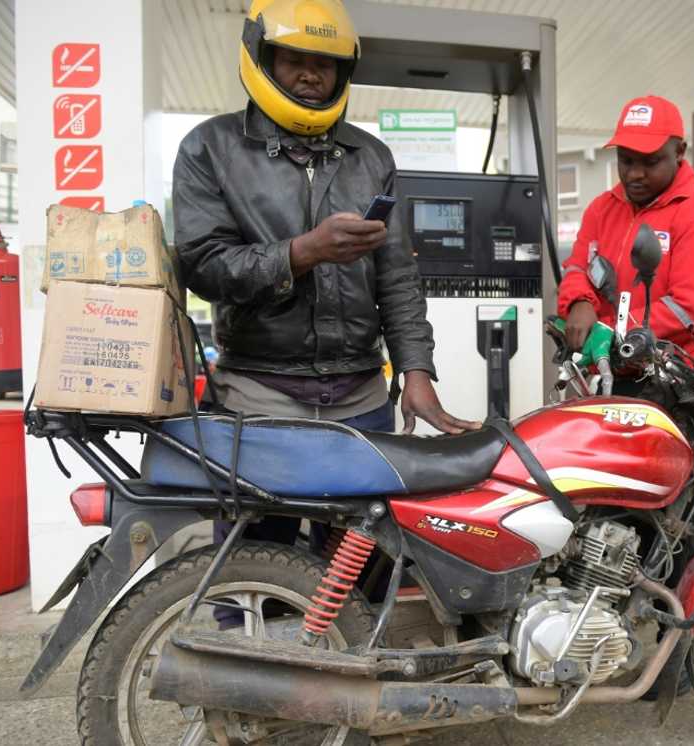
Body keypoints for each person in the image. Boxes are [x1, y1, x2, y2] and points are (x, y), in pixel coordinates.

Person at [173, 0, 477, 557]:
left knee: (361, 565)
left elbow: (398, 278)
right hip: (259, 395)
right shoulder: (209, 148)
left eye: (326, 62)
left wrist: (415, 371)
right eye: (293, 58)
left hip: (361, 395)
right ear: (261, 58)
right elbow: (203, 268)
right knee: (256, 564)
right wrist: (302, 253)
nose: (311, 73)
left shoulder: (372, 156)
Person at [558, 95, 694, 362]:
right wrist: (579, 303)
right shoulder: (601, 209)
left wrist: (609, 330)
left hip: (672, 377)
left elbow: (688, 308)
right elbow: (577, 267)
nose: (634, 174)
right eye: (626, 160)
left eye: (650, 162)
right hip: (606, 366)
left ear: (680, 152)